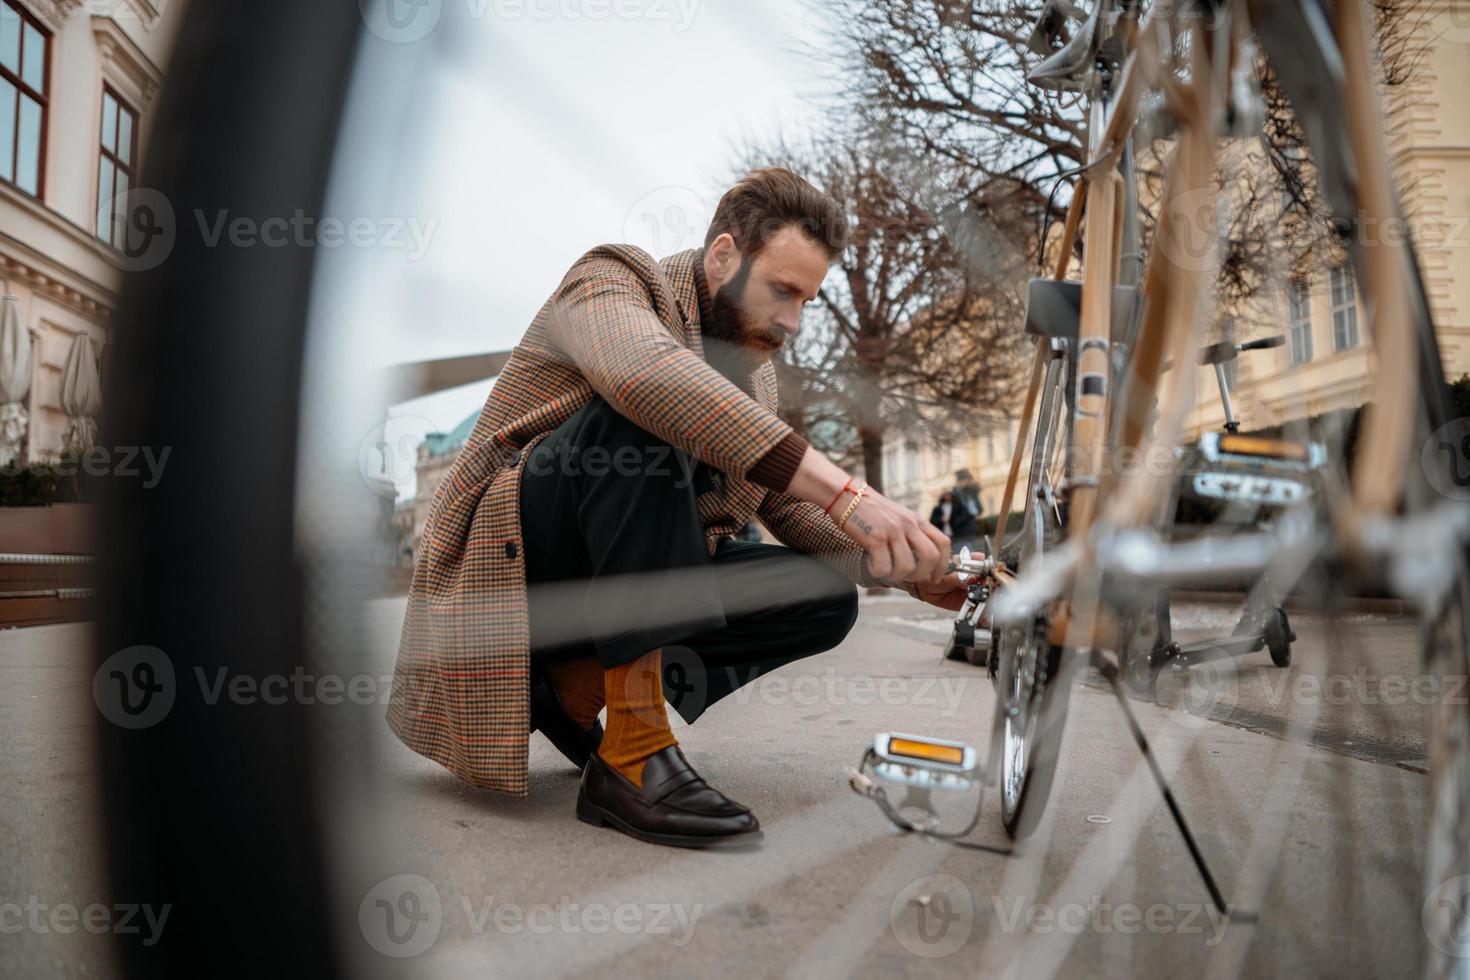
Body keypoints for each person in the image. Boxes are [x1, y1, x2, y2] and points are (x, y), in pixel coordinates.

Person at [387, 168, 968, 849]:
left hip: (613, 584)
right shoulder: (613, 280)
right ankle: (631, 751)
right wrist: (847, 490)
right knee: (641, 423)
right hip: (509, 571)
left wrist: (908, 564)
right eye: (783, 291)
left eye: (807, 300)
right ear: (723, 256)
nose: (793, 321)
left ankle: (570, 687)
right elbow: (644, 374)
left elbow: (792, 508)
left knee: (823, 592)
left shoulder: (757, 375)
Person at [949, 468, 984, 551]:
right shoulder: (958, 494)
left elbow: (979, 509)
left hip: (966, 532)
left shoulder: (969, 494)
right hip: (961, 533)